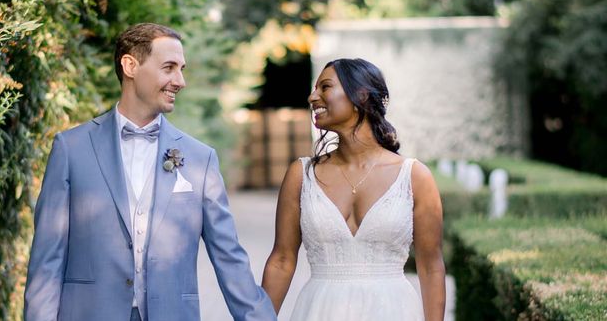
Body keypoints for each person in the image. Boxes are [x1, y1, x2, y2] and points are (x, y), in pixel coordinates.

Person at [24, 22, 277, 321]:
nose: (180, 81)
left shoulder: (200, 159)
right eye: (169, 67)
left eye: (181, 69)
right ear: (130, 65)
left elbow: (229, 256)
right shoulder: (72, 148)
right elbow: (47, 260)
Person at [262, 58, 446, 321]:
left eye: (325, 87)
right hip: (319, 311)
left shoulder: (415, 176)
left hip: (393, 311)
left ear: (360, 95)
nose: (312, 96)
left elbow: (431, 267)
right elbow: (282, 260)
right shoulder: (300, 175)